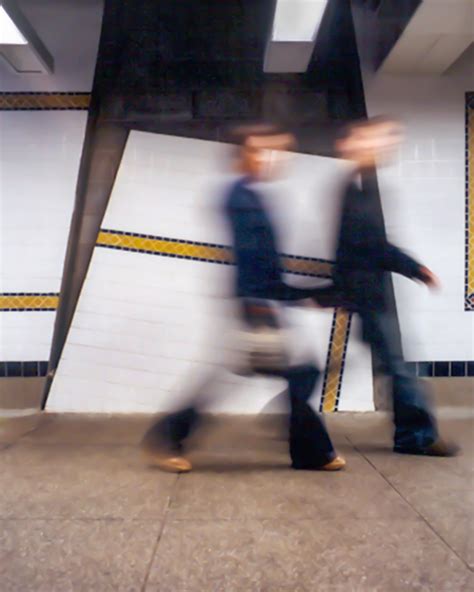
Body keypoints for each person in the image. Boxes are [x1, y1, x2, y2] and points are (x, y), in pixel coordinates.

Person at [140, 124, 345, 473]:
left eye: (273, 152)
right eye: (260, 152)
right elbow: (255, 263)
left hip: (260, 301)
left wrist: (298, 297)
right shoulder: (242, 199)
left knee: (278, 374)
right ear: (241, 157)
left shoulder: (249, 195)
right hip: (255, 304)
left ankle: (309, 450)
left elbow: (265, 265)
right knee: (290, 374)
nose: (270, 159)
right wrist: (284, 299)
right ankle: (166, 437)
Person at [331, 116, 458, 456]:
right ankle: (416, 436)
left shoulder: (364, 185)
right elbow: (371, 245)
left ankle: (411, 434)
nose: (382, 146)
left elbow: (355, 245)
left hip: (370, 293)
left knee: (393, 366)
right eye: (373, 140)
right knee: (398, 368)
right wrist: (415, 268)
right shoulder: (354, 190)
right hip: (369, 295)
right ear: (351, 144)